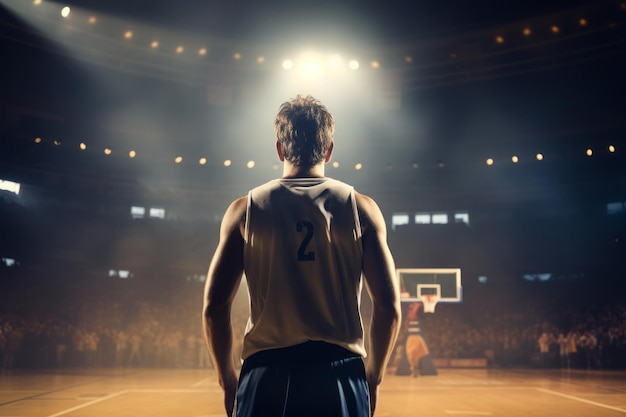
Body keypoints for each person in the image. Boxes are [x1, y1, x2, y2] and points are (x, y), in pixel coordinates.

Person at [202, 94, 401, 417]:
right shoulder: (360, 208)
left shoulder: (244, 210)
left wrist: (226, 378)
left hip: (265, 371)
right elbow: (388, 307)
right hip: (338, 371)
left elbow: (214, 307)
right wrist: (373, 376)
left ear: (279, 148)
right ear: (330, 149)